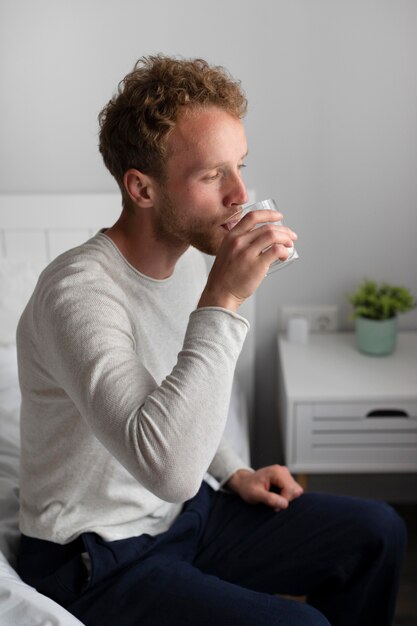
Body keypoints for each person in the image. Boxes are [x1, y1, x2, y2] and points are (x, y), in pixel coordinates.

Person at [16, 55, 406, 626]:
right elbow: (167, 465)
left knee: (379, 532)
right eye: (211, 175)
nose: (240, 194)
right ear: (141, 188)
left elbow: (186, 394)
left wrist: (232, 470)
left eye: (241, 166)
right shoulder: (77, 294)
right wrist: (224, 300)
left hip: (183, 514)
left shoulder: (196, 262)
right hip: (95, 555)